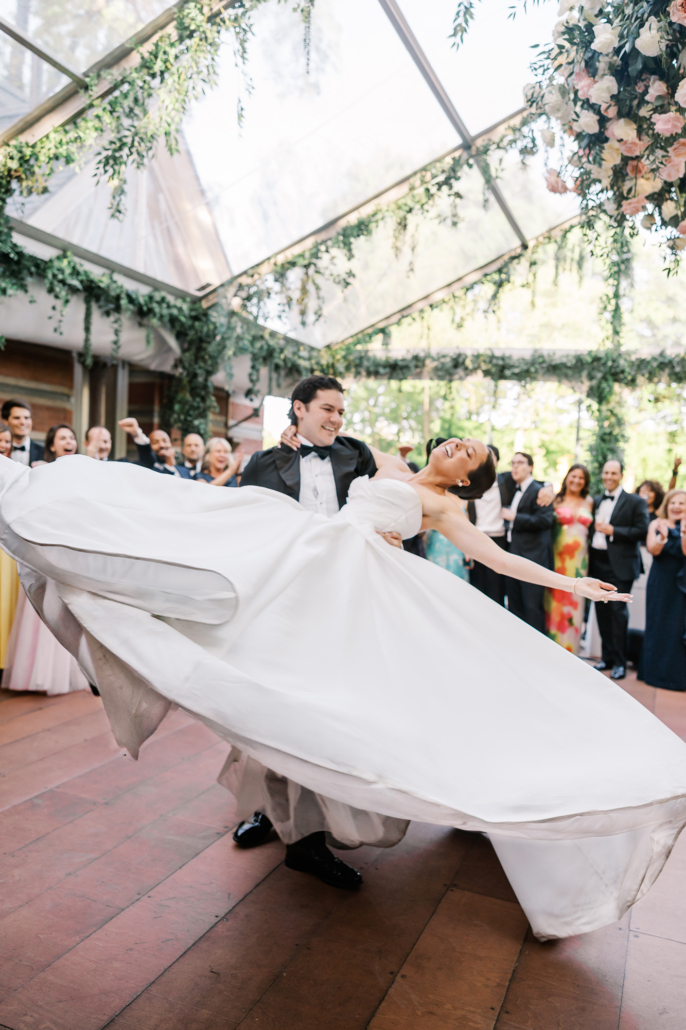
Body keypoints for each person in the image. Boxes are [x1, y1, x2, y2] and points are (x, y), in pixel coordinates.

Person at [6, 436, 686, 944]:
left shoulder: (445, 505)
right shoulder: (387, 465)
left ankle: (311, 822)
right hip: (307, 554)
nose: (457, 446)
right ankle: (277, 809)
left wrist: (570, 582)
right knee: (211, 569)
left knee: (323, 691)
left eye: (469, 454)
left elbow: (497, 558)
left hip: (356, 586)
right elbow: (336, 460)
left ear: (467, 479)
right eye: (458, 441)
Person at [233, 375, 379, 887]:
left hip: (341, 599)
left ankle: (310, 836)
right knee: (268, 706)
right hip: (282, 600)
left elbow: (381, 509)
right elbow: (242, 528)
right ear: (299, 409)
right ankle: (269, 811)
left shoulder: (356, 455)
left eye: (341, 411)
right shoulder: (263, 463)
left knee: (322, 711)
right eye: (327, 409)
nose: (336, 419)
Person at [1, 424, 88, 695]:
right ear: (51, 445)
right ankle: (34, 674)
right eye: (62, 437)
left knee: (67, 607)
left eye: (72, 437)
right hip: (43, 548)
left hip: (71, 549)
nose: (69, 441)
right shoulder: (38, 470)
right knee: (41, 605)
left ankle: (66, 673)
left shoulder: (83, 471)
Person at [590, 459, 650, 680]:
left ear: (621, 476)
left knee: (617, 613)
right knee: (601, 611)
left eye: (613, 473)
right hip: (597, 561)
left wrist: (613, 530)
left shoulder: (635, 501)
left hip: (621, 565)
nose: (609, 477)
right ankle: (606, 658)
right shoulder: (596, 500)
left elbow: (642, 531)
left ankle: (619, 663)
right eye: (606, 472)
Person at [501, 452, 555, 634]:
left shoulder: (541, 491)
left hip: (533, 558)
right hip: (513, 555)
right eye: (513, 463)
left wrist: (515, 517)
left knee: (532, 608)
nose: (515, 466)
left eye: (520, 463)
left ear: (530, 467)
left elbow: (545, 521)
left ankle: (537, 649)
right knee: (514, 606)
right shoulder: (512, 486)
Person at [638, 490, 686, 691]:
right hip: (660, 582)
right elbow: (653, 549)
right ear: (667, 504)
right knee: (657, 623)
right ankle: (652, 673)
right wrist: (662, 537)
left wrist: (683, 533)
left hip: (682, 584)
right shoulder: (656, 523)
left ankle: (675, 677)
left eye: (681, 503)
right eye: (673, 502)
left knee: (678, 627)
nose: (676, 506)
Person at [545, 464, 593, 654]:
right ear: (567, 478)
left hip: (580, 562)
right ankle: (552, 648)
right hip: (558, 559)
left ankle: (571, 649)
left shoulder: (590, 501)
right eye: (573, 476)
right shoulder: (556, 499)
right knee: (555, 602)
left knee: (575, 601)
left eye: (581, 478)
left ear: (585, 482)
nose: (576, 480)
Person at [467, 444, 508, 604]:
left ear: (497, 461)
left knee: (496, 588)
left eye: (491, 457)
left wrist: (548, 487)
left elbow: (535, 481)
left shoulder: (506, 481)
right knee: (477, 587)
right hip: (477, 539)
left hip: (498, 539)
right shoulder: (471, 482)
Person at [423, 438, 469, 579]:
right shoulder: (430, 494)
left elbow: (467, 527)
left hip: (457, 549)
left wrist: (468, 552)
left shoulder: (464, 500)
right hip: (436, 545)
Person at [0, 420, 20, 670]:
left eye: (7, 441)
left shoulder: (14, 469)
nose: (4, 445)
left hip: (7, 545)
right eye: (0, 440)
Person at [2, 398, 44, 465]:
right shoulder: (1, 449)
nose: (23, 422)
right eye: (17, 418)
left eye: (26, 418)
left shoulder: (44, 452)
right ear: (5, 422)